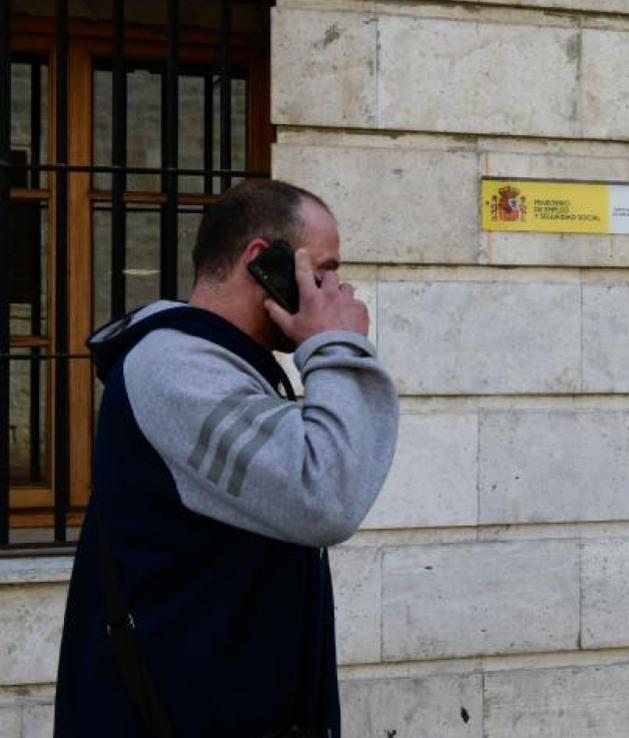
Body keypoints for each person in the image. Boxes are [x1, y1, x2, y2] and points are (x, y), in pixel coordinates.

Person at [54, 179, 399, 736]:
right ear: (263, 261)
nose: (338, 287)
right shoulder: (175, 369)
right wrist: (336, 344)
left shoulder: (225, 366)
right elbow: (327, 495)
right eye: (324, 269)